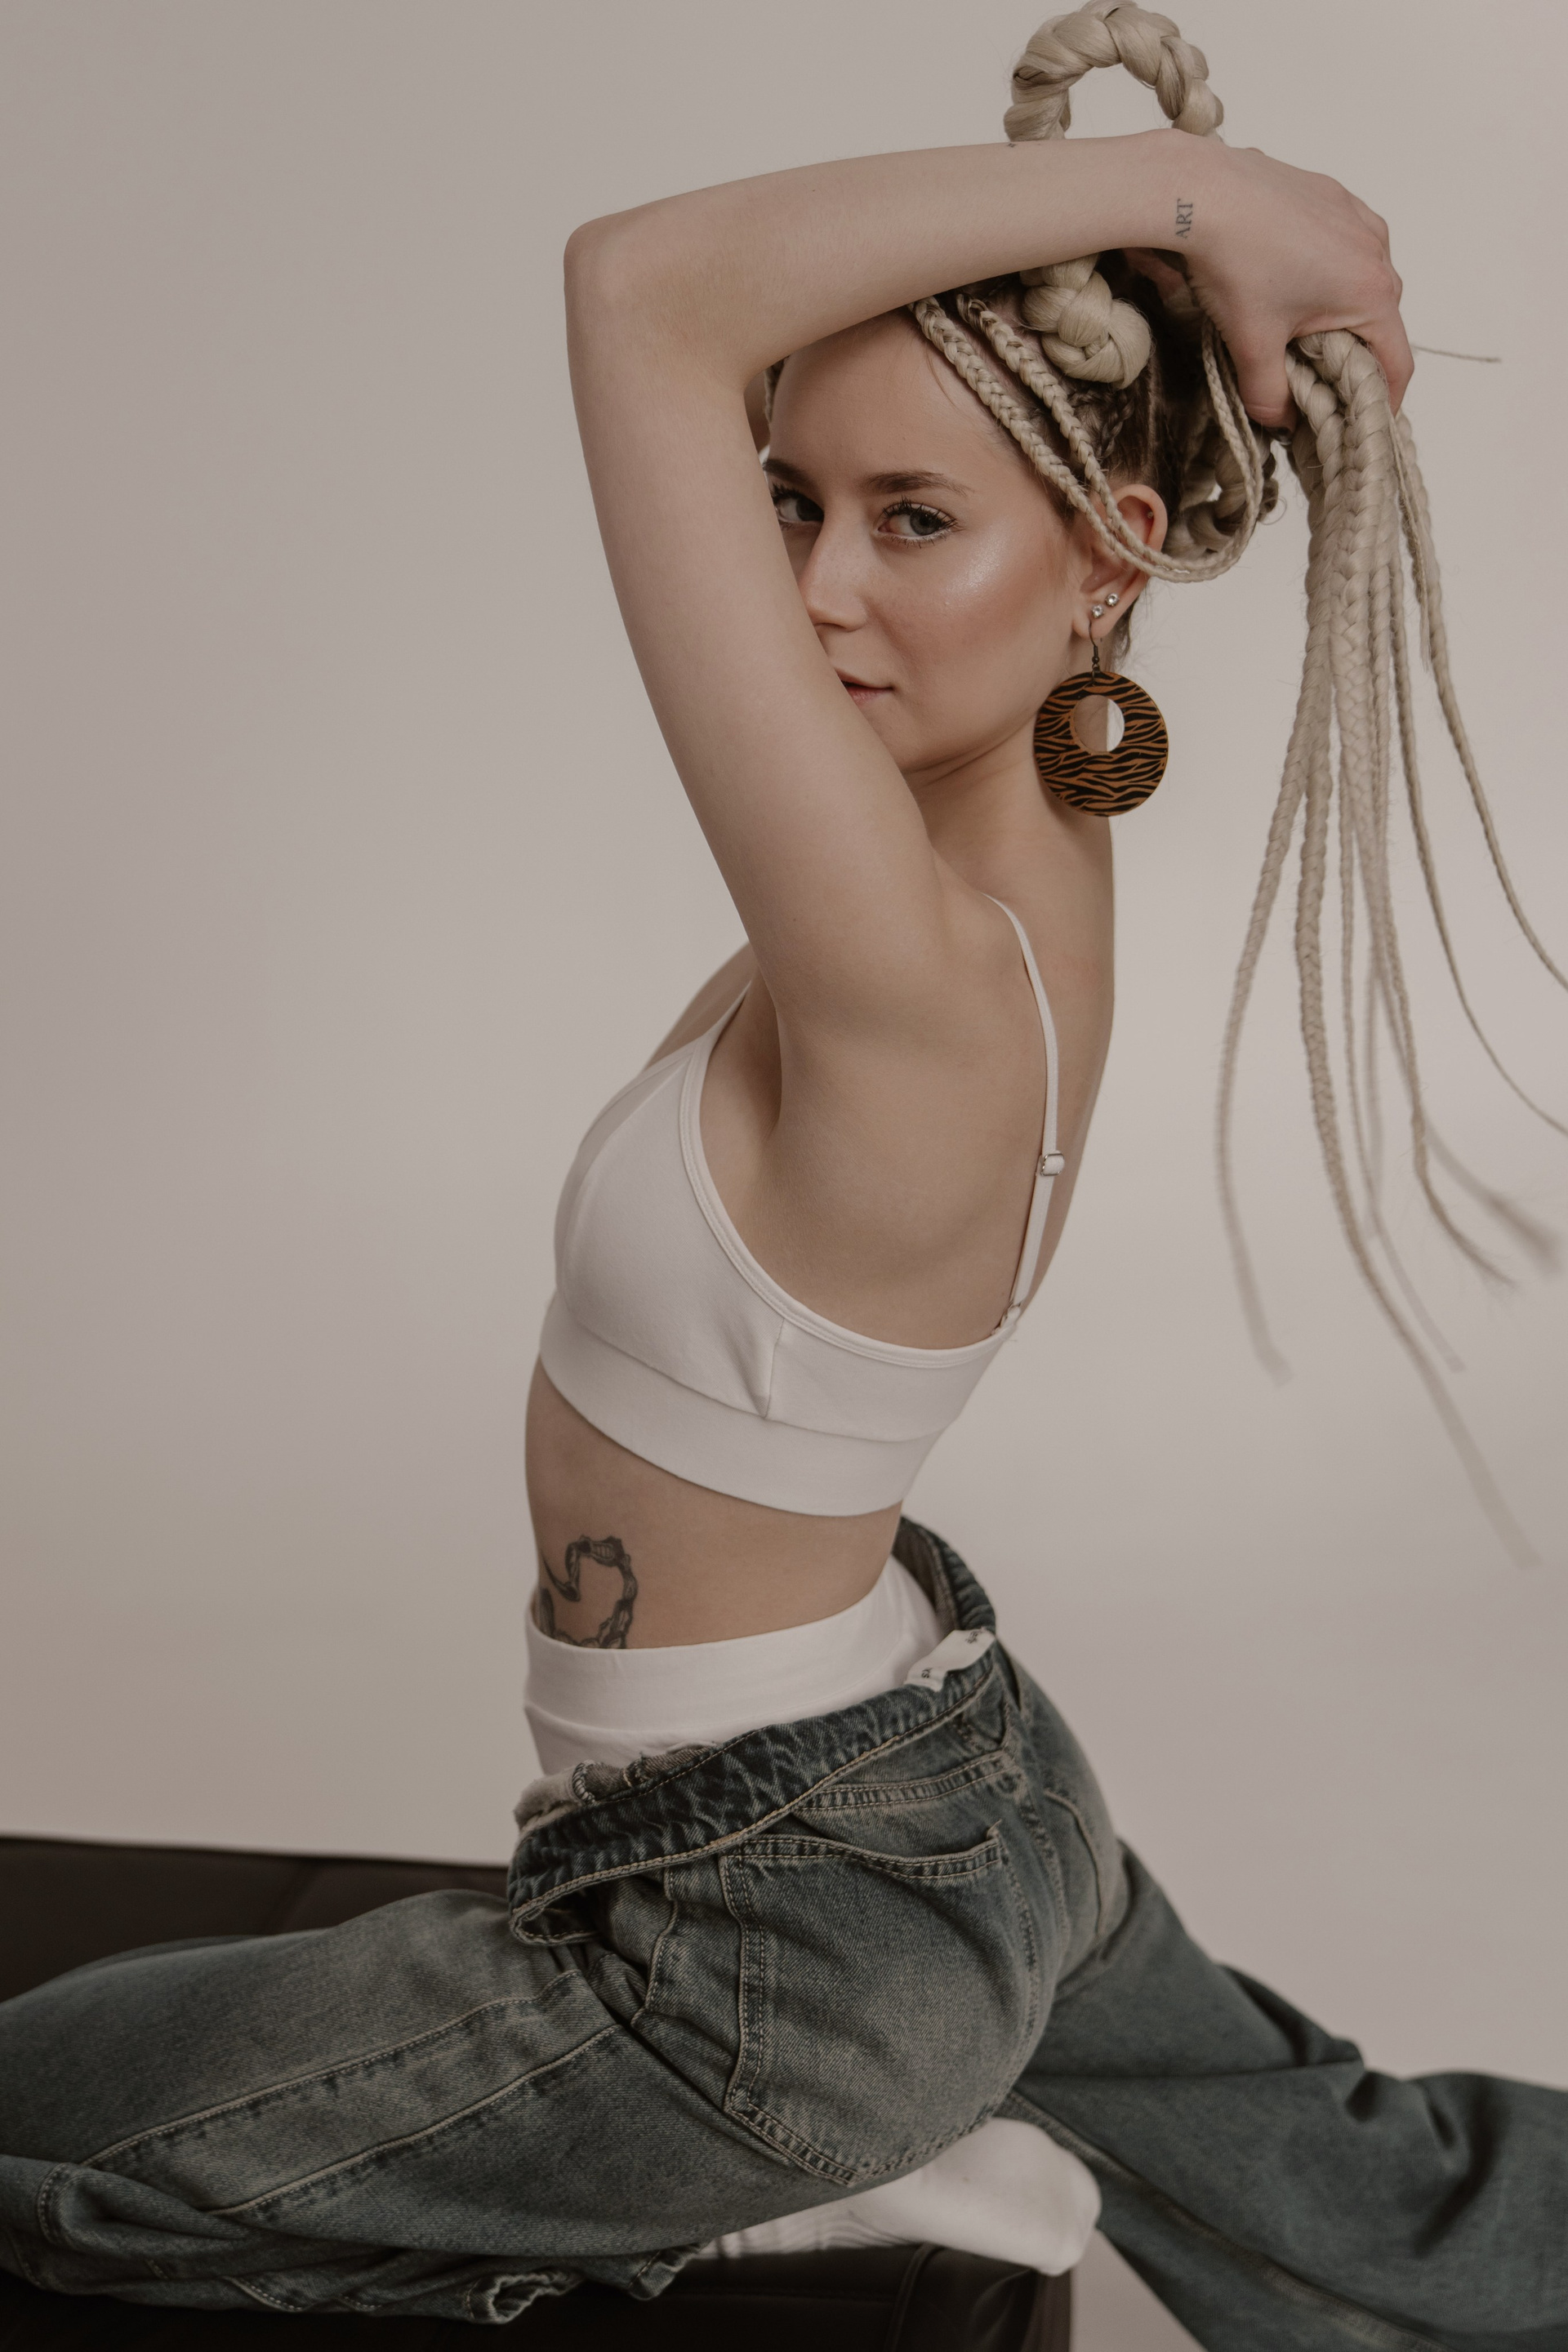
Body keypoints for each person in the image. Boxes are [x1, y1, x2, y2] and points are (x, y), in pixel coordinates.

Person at [2, 8, 1564, 2343]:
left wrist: (1201, 205)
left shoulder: (904, 969)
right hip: (955, 1773)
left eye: (914, 520)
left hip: (765, 1943)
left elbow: (641, 287)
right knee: (1390, 2198)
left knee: (37, 2125)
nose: (818, 588)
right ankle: (897, 2108)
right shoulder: (990, 883)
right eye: (790, 502)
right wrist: (1150, 242)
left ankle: (808, 2177)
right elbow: (711, 329)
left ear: (1109, 565)